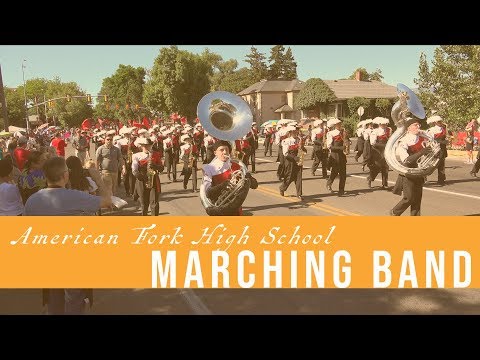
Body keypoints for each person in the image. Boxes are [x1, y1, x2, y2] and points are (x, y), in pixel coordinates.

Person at [23, 157, 112, 314]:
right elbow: (107, 201)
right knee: (75, 301)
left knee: (54, 300)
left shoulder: (32, 200)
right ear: (65, 175)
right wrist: (97, 177)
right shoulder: (74, 196)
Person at [202, 140, 257, 216]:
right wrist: (222, 186)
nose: (225, 152)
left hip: (236, 208)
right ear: (215, 153)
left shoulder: (237, 165)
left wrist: (249, 178)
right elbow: (208, 193)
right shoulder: (209, 168)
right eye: (221, 150)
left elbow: (255, 185)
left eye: (227, 150)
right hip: (219, 209)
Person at [390, 118, 432, 216]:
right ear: (409, 128)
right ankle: (395, 212)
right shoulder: (404, 141)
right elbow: (407, 160)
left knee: (417, 200)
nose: (418, 127)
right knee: (408, 198)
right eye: (415, 125)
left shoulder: (423, 137)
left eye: (419, 125)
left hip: (419, 172)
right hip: (408, 173)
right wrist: (422, 152)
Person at [132, 138, 163, 216]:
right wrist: (140, 176)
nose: (147, 147)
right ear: (142, 146)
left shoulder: (156, 154)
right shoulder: (136, 155)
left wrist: (155, 166)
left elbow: (161, 168)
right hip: (141, 180)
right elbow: (134, 169)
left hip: (153, 180)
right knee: (144, 204)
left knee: (154, 203)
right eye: (145, 146)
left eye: (148, 146)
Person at [279, 126, 307, 200]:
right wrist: (294, 158)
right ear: (290, 133)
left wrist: (304, 150)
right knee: (289, 177)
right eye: (293, 132)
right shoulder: (286, 141)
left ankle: (299, 194)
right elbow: (285, 153)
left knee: (298, 177)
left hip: (298, 161)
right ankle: (282, 188)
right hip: (290, 161)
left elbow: (301, 148)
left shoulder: (299, 139)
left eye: (296, 131)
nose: (295, 133)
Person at [326, 118, 347, 196]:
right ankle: (329, 183)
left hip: (342, 155)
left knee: (343, 174)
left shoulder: (343, 132)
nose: (340, 125)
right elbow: (329, 146)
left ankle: (341, 190)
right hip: (335, 155)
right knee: (334, 172)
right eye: (338, 124)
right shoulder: (331, 133)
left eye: (340, 124)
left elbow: (346, 141)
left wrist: (348, 143)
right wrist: (340, 148)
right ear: (335, 125)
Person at [426, 115, 448, 185]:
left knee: (441, 165)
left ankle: (441, 180)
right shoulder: (432, 130)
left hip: (442, 148)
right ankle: (423, 176)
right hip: (435, 148)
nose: (440, 123)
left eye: (441, 121)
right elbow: (430, 139)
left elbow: (445, 137)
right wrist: (441, 142)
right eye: (439, 122)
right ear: (435, 122)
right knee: (431, 164)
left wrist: (446, 140)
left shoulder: (443, 129)